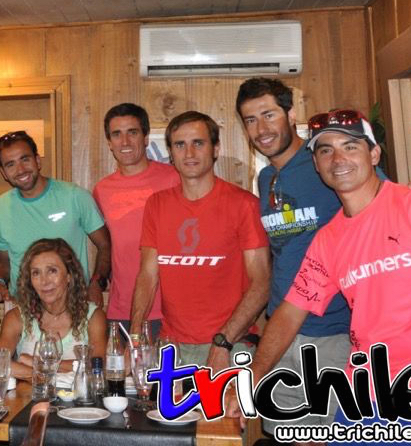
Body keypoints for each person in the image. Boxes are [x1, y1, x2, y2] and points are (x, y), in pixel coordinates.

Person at [229, 110, 411, 437]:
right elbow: (291, 311)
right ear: (316, 165)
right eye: (325, 150)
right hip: (365, 398)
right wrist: (254, 376)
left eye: (350, 146)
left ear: (374, 154)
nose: (337, 158)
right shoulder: (328, 240)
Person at [235, 78, 352, 435]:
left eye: (269, 115)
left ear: (291, 114)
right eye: (251, 120)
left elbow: (381, 202)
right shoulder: (266, 178)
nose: (261, 129)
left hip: (331, 332)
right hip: (281, 332)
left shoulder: (324, 160)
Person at [129, 111, 270, 372]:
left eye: (198, 143)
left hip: (229, 344)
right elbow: (148, 275)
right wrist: (135, 338)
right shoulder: (157, 205)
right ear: (171, 153)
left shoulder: (243, 205)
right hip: (171, 347)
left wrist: (223, 341)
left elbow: (261, 283)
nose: (189, 153)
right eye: (180, 145)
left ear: (215, 149)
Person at [0, 131, 110, 307]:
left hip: (72, 306)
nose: (20, 170)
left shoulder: (74, 196)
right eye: (10, 164)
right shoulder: (1, 206)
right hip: (23, 309)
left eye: (25, 159)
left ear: (37, 161)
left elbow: (105, 244)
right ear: (3, 173)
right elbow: (4, 261)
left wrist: (97, 283)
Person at [92, 103, 179, 337]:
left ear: (146, 137)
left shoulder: (174, 179)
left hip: (170, 309)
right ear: (109, 142)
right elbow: (106, 246)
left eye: (132, 132)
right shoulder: (102, 189)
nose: (125, 141)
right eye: (116, 134)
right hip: (122, 307)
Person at [0, 238, 107, 381]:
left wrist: (37, 363)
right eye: (36, 273)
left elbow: (98, 365)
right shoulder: (16, 317)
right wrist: (40, 376)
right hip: (30, 395)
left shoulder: (93, 316)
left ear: (69, 276)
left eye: (52, 271)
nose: (44, 281)